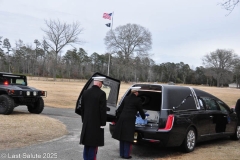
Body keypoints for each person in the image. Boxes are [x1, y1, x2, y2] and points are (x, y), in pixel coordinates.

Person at [112, 86, 146, 159]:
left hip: (122, 118)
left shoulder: (126, 98)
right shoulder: (137, 100)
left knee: (122, 137)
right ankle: (126, 155)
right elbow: (141, 110)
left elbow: (120, 109)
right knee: (127, 137)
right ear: (136, 92)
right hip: (130, 120)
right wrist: (144, 117)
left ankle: (121, 154)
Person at [80, 76, 107, 160]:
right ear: (100, 83)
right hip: (96, 123)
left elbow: (82, 108)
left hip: (87, 122)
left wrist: (84, 120)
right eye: (102, 83)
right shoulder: (102, 94)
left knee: (87, 144)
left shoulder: (85, 92)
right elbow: (102, 110)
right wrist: (103, 123)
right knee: (93, 144)